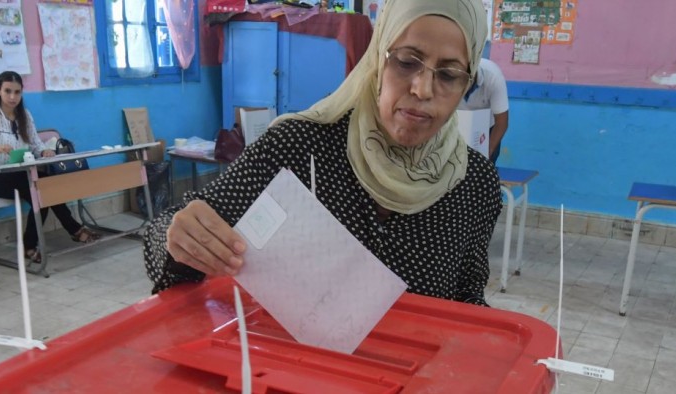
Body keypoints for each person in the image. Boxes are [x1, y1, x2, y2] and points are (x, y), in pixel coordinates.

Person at [144, 0, 502, 306]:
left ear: (467, 83)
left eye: (449, 74)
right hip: (294, 374)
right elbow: (171, 234)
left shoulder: (474, 184)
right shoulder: (297, 148)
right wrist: (178, 236)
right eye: (407, 62)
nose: (422, 89)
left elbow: (468, 298)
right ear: (378, 59)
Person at [0, 71, 100, 264]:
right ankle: (72, 230)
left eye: (17, 92)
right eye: (7, 91)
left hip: (22, 174)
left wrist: (45, 151)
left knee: (42, 189)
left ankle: (32, 245)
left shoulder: (24, 115)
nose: (13, 97)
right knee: (39, 190)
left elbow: (36, 144)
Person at [458, 58, 509, 163]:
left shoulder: (493, 76)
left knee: (484, 169)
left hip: (487, 130)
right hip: (457, 126)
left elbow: (502, 122)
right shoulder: (448, 76)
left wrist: (488, 151)